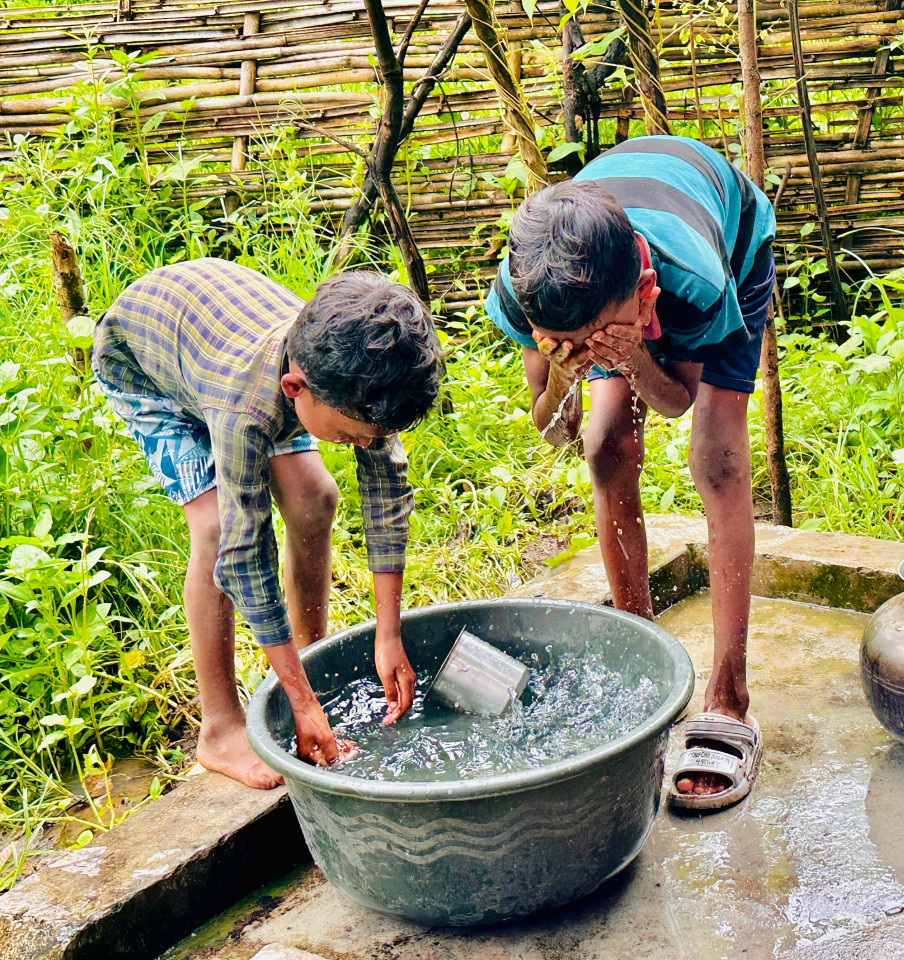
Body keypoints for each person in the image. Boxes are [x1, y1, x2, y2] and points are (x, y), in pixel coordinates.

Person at [485, 135, 775, 811]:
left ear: (644, 298)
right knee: (604, 446)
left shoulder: (694, 282)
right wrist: (565, 366)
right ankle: (641, 657)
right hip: (612, 289)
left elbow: (675, 402)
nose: (588, 356)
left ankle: (730, 698)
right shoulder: (528, 291)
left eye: (598, 343)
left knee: (719, 460)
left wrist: (636, 360)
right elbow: (554, 428)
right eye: (569, 342)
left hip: (730, 241)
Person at [92, 259, 440, 788]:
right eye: (351, 436)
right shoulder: (247, 410)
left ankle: (306, 662)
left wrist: (388, 635)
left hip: (229, 349)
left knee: (315, 499)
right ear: (297, 388)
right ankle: (220, 727)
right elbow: (245, 555)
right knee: (214, 532)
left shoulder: (362, 375)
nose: (365, 446)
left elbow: (387, 495)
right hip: (146, 366)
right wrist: (301, 703)